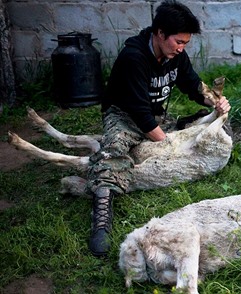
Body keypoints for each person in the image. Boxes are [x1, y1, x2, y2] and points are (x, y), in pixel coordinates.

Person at [86, 0, 230, 257]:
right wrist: (168, 145)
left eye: (186, 43)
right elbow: (140, 115)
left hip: (156, 117)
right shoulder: (134, 57)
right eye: (178, 41)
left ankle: (168, 134)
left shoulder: (176, 56)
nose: (182, 48)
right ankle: (101, 219)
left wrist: (214, 100)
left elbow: (193, 85)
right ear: (160, 33)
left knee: (199, 122)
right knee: (114, 152)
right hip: (125, 116)